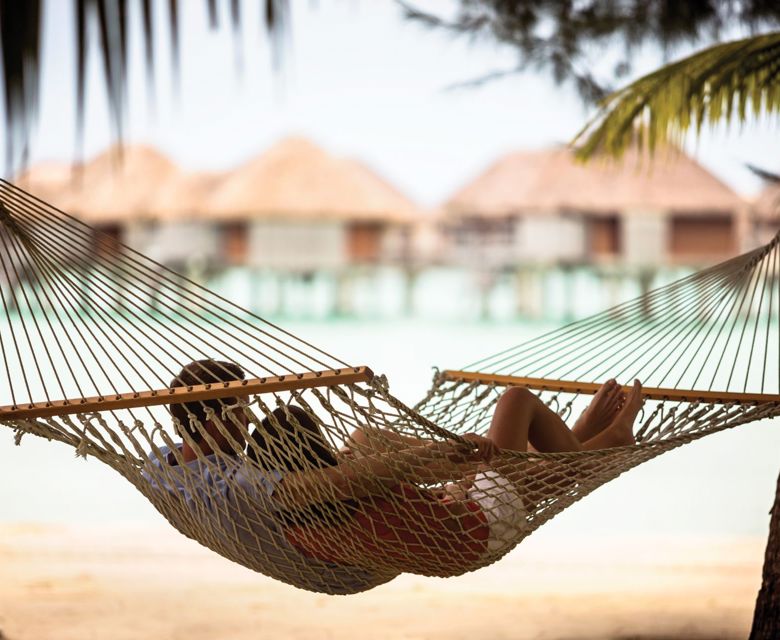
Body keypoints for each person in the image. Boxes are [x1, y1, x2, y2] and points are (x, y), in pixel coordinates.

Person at [144, 359, 642, 586]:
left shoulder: (161, 465)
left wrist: (447, 465)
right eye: (241, 411)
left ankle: (573, 441)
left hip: (432, 522)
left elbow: (343, 483)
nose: (248, 420)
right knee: (514, 401)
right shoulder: (248, 482)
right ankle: (597, 443)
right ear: (213, 418)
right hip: (469, 528)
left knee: (365, 440)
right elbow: (342, 483)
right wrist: (444, 454)